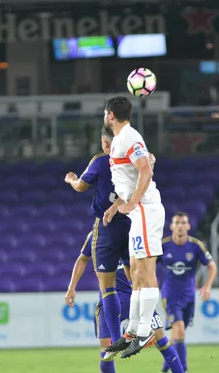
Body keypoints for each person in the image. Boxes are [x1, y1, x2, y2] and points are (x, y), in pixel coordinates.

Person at [65, 233, 184, 373]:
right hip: (107, 301)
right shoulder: (96, 234)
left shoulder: (133, 231)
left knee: (161, 340)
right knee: (107, 351)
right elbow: (82, 259)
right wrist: (71, 287)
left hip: (135, 297)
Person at [102, 96, 165, 358]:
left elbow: (145, 171)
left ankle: (145, 332)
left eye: (105, 113)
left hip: (147, 209)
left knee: (146, 270)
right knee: (136, 271)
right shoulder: (120, 140)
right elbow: (131, 176)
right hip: (136, 212)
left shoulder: (129, 137)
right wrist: (118, 205)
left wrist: (134, 202)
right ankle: (134, 331)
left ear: (110, 115)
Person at [64, 126, 132, 349]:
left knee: (107, 287)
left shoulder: (101, 160)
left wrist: (72, 179)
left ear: (105, 144)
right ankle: (145, 324)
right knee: (140, 279)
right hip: (133, 224)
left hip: (108, 227)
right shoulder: (134, 158)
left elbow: (82, 186)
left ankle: (117, 338)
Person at [157, 212, 218, 373]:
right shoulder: (163, 245)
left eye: (183, 223)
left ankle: (165, 368)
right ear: (171, 226)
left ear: (188, 226)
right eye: (177, 223)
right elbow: (148, 265)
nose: (180, 226)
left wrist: (207, 286)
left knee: (177, 334)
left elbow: (212, 266)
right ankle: (183, 369)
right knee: (180, 329)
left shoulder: (196, 245)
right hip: (169, 295)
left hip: (189, 295)